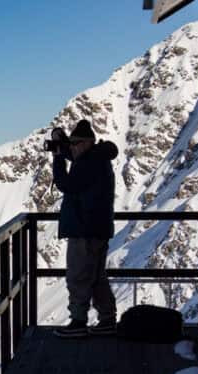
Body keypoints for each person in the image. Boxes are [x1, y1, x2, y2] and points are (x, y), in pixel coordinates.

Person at [49, 119, 119, 338]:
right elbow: (78, 159)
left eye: (76, 142)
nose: (74, 146)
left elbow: (66, 184)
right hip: (96, 228)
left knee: (78, 276)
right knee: (97, 277)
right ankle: (107, 320)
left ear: (87, 143)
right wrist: (63, 145)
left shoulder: (90, 163)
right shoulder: (96, 158)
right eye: (72, 142)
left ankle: (78, 321)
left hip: (84, 229)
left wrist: (59, 158)